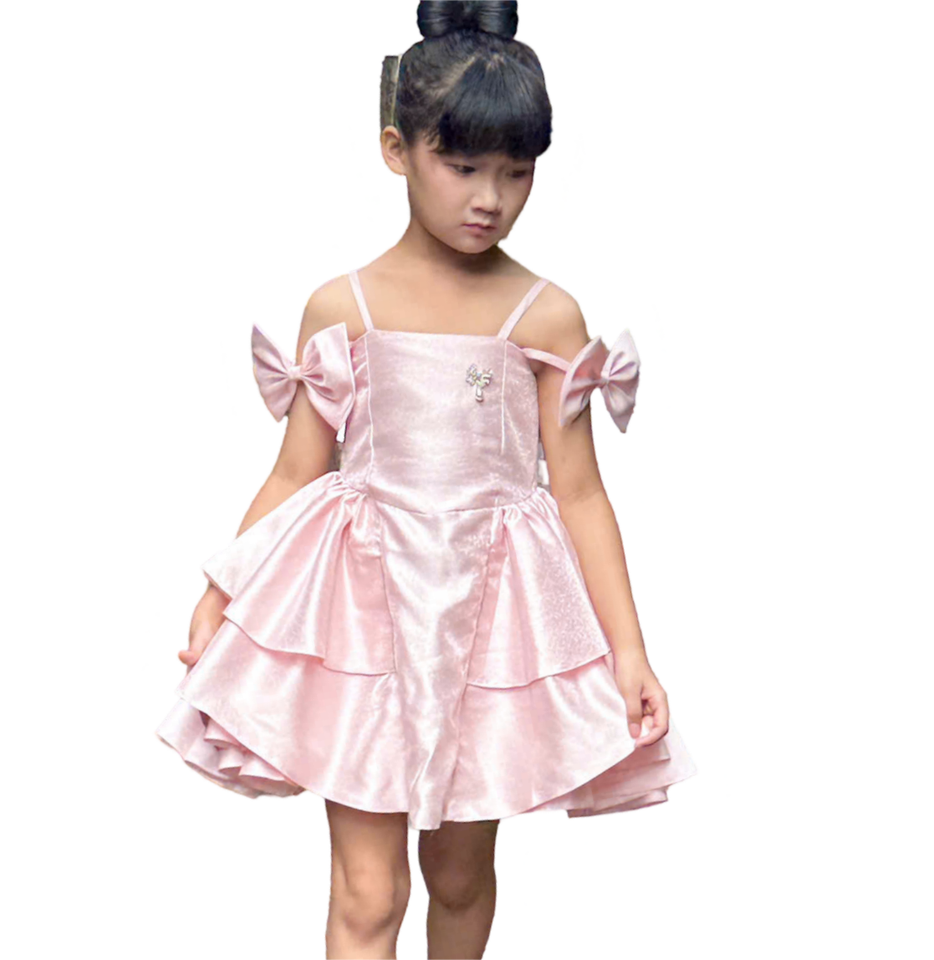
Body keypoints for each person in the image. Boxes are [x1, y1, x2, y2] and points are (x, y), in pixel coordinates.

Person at [156, 2, 697, 957]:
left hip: (492, 617)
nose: (491, 198)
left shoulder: (546, 314)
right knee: (368, 891)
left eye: (517, 172)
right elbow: (297, 471)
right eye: (464, 166)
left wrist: (630, 649)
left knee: (458, 873)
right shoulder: (344, 304)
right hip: (361, 616)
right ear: (395, 150)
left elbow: (579, 493)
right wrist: (220, 592)